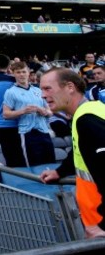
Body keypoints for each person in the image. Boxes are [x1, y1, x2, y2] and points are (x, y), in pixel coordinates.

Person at [38, 68, 105, 238]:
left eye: (47, 88)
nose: (43, 95)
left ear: (70, 87)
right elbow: (80, 151)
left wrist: (102, 226)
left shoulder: (87, 120)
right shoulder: (89, 112)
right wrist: (59, 171)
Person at [3, 62, 54, 167]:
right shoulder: (10, 92)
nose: (21, 74)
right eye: (18, 72)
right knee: (33, 165)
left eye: (23, 72)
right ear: (13, 74)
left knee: (50, 163)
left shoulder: (38, 90)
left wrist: (43, 111)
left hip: (44, 131)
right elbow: (6, 114)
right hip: (27, 133)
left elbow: (50, 112)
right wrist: (23, 111)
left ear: (28, 73)